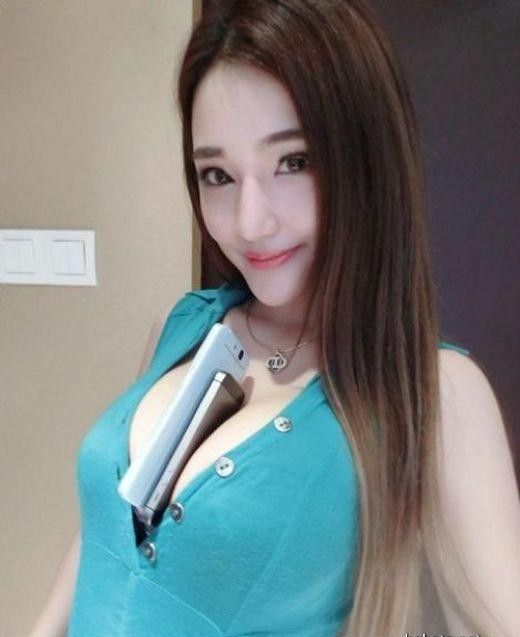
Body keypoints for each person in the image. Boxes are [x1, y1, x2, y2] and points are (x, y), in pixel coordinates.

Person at [29, 1, 520, 636]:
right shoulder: (182, 327)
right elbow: (105, 534)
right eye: (218, 175)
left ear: (365, 161)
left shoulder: (436, 391)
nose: (250, 222)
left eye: (293, 162)